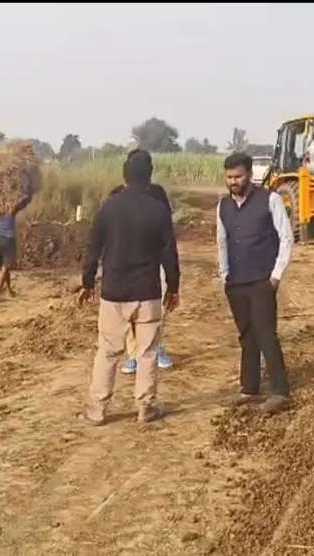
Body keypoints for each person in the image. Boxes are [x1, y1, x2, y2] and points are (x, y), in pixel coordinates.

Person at [77, 149, 180, 425]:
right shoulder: (159, 210)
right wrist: (173, 287)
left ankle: (97, 410)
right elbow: (170, 253)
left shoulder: (109, 207)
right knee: (147, 352)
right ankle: (146, 407)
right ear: (150, 175)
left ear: (124, 174)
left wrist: (87, 282)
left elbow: (93, 248)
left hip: (114, 292)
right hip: (147, 292)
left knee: (108, 351)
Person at [217, 152, 294, 414]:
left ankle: (280, 390)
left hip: (262, 280)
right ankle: (249, 388)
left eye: (238, 176)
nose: (233, 181)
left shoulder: (270, 200)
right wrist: (224, 275)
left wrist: (276, 275)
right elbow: (222, 242)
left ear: (249, 175)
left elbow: (286, 238)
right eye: (229, 177)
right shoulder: (223, 206)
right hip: (235, 282)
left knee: (265, 334)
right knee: (246, 335)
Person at [0, 180, 34, 301]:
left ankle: (9, 290)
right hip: (8, 240)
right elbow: (23, 202)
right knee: (6, 267)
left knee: (5, 268)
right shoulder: (11, 210)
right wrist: (29, 193)